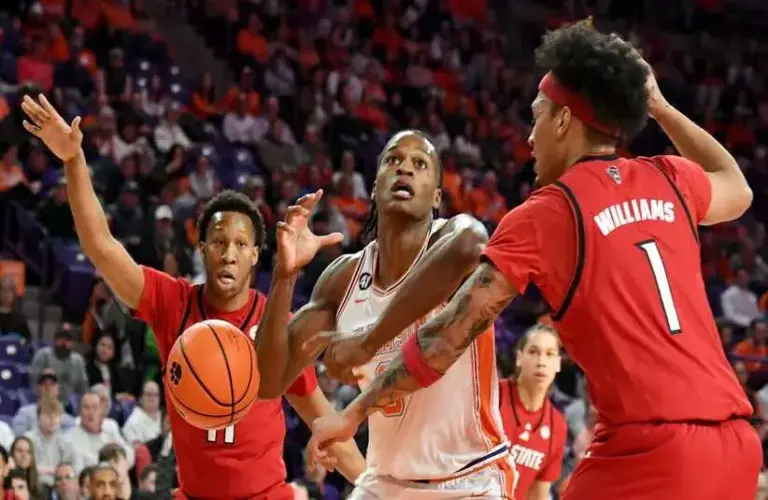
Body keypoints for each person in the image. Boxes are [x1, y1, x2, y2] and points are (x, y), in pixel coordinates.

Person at [305, 21, 761, 500]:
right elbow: (738, 187)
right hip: (735, 445)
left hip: (652, 451)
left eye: (536, 117)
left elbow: (444, 338)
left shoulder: (548, 212)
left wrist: (352, 412)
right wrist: (660, 107)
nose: (528, 138)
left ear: (563, 120)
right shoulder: (670, 178)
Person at [20, 95, 365, 499]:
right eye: (218, 241)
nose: (229, 253)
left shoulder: (277, 323)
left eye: (241, 243)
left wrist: (382, 488)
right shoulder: (173, 301)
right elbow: (100, 245)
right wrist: (74, 160)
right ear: (201, 247)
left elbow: (324, 420)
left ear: (256, 255)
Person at [257, 129, 515, 498]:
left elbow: (472, 243)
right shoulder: (342, 278)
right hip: (385, 482)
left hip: (469, 478)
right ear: (375, 186)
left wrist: (368, 340)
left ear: (437, 196)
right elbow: (268, 382)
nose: (404, 170)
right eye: (393, 161)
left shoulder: (452, 240)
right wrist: (285, 275)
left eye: (420, 164)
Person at [499, 325, 566, 500]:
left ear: (558, 364)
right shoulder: (493, 396)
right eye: (533, 352)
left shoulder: (557, 426)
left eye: (549, 354)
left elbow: (538, 495)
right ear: (519, 358)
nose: (541, 362)